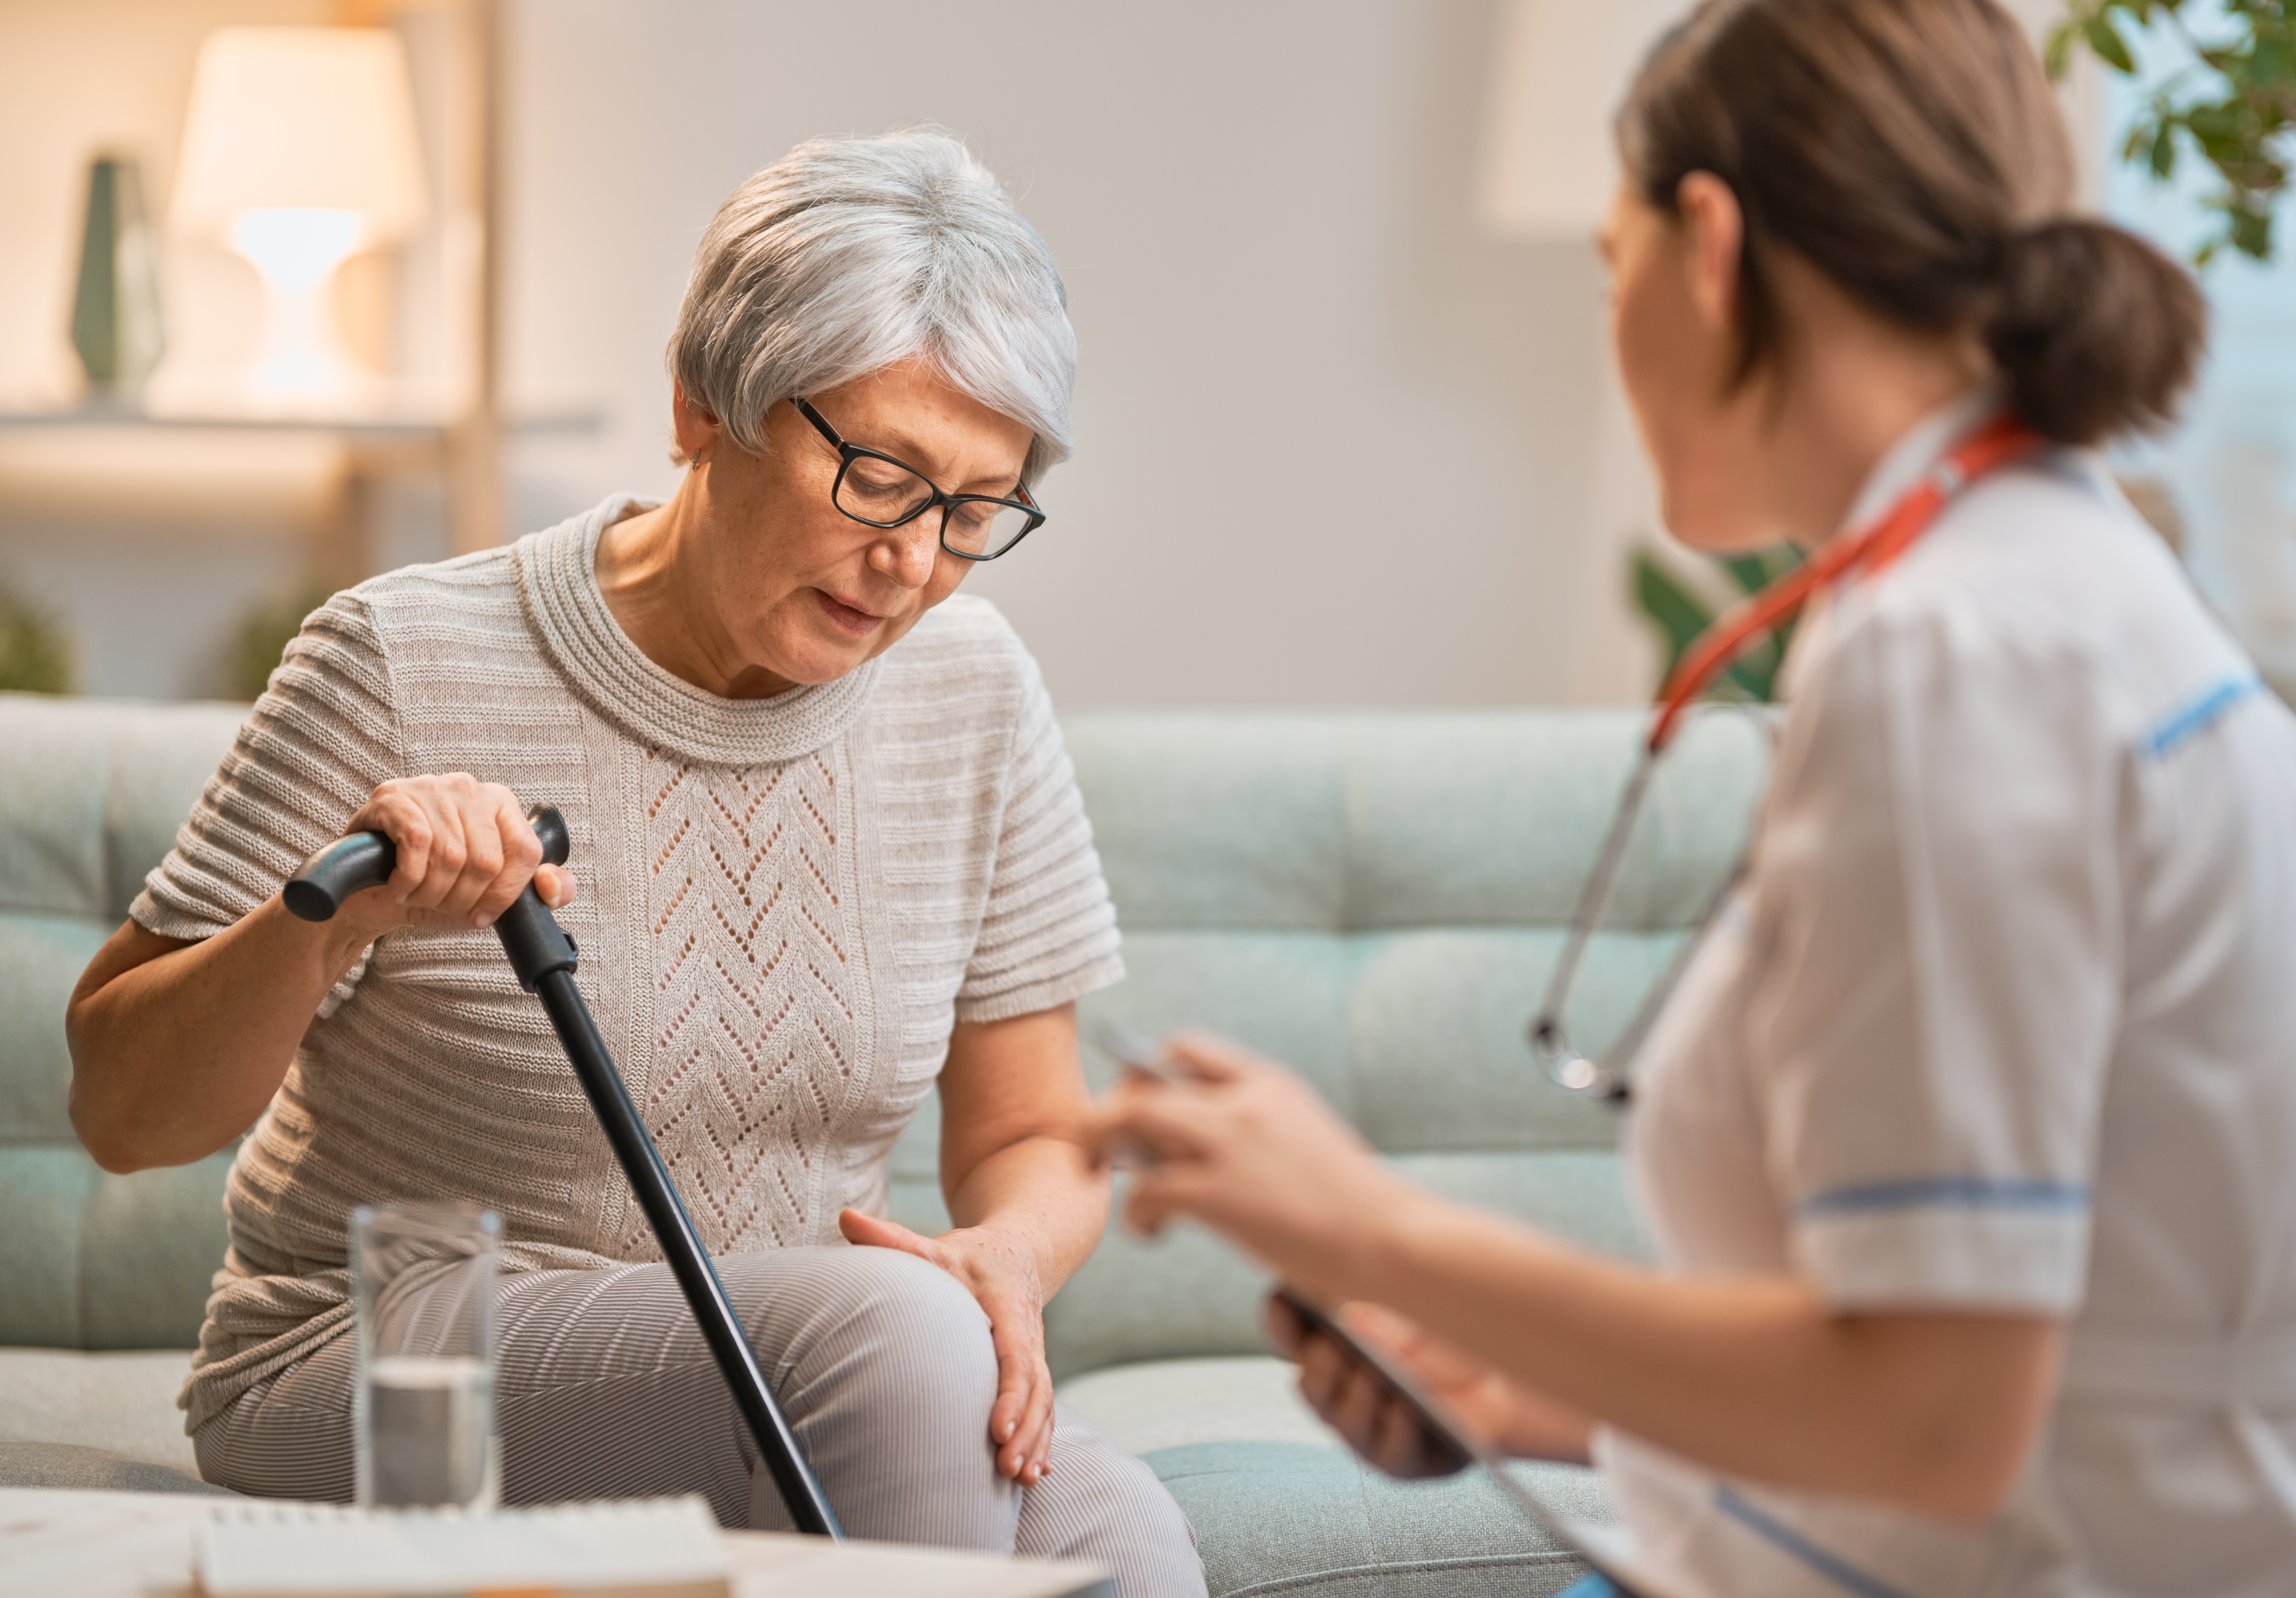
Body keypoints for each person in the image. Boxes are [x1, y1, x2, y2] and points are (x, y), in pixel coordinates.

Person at [1083, 3, 2296, 1594]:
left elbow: (1938, 1416)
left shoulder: (1954, 656)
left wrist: (1363, 1221)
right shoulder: (2052, 580)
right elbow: (2025, 1343)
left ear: (1707, 247)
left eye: (1609, 262)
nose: (1610, 313)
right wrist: (1525, 1392)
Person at [66, 127, 1203, 1597]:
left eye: (974, 511)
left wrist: (1010, 1259)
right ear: (700, 405)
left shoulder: (971, 691)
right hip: (380, 1364)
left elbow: (1032, 1137)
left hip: (793, 1363)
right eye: (880, 476)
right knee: (893, 1336)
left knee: (1126, 1546)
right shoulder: (405, 657)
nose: (915, 561)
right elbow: (121, 1111)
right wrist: (332, 924)